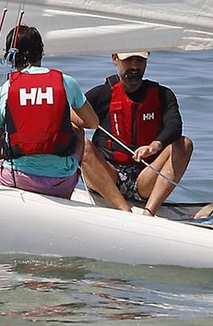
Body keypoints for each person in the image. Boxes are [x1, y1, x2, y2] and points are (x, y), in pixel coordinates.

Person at [0, 22, 129, 210]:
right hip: (62, 183)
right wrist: (61, 115)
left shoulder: (3, 92)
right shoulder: (66, 82)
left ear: (10, 57)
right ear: (41, 52)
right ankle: (68, 191)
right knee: (78, 131)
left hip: (18, 179)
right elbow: (92, 123)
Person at [83, 51, 193, 216]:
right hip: (108, 175)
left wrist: (154, 146)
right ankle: (123, 209)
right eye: (128, 60)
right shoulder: (102, 94)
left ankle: (149, 213)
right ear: (115, 59)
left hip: (145, 179)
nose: (134, 66)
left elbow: (174, 126)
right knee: (81, 143)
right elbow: (68, 118)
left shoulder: (163, 95)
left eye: (140, 60)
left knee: (184, 144)